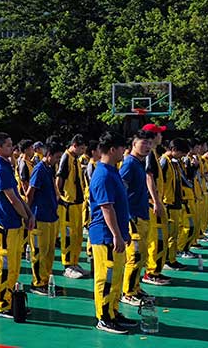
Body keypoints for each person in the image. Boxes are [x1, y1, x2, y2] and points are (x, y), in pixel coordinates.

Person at [88, 131, 138, 334]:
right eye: (121, 149)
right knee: (106, 278)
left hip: (116, 233)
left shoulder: (113, 171)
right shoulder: (102, 175)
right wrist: (116, 234)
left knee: (116, 277)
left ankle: (113, 311)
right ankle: (104, 317)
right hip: (105, 235)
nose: (124, 152)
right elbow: (106, 208)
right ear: (112, 150)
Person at [0, 133, 34, 318]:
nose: (12, 148)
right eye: (8, 145)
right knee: (3, 267)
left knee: (13, 266)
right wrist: (26, 216)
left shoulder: (6, 166)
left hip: (12, 224)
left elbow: (17, 196)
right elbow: (13, 199)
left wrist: (28, 213)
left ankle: (10, 301)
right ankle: (1, 305)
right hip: (4, 225)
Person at [119, 130, 155, 305]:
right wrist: (126, 216)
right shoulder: (129, 164)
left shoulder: (140, 163)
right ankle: (128, 292)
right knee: (134, 256)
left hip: (142, 215)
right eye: (143, 143)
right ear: (134, 144)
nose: (147, 146)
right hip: (133, 217)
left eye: (149, 143)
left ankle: (136, 287)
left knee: (141, 256)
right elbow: (121, 191)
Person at [25, 140, 64, 296]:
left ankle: (46, 279)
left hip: (50, 217)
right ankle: (37, 283)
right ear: (48, 155)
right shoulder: (39, 170)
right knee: (39, 252)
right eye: (56, 157)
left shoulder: (49, 168)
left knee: (49, 252)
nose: (58, 161)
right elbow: (30, 193)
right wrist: (29, 215)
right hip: (39, 217)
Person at [141, 124, 170, 286]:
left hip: (156, 202)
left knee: (159, 238)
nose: (162, 137)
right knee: (155, 239)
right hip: (152, 204)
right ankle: (151, 272)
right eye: (160, 134)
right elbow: (149, 177)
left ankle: (155, 270)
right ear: (153, 136)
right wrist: (156, 201)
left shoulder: (153, 154)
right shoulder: (149, 155)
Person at [56, 134, 88, 278]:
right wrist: (60, 197)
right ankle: (67, 265)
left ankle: (74, 262)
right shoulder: (66, 157)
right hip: (68, 203)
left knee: (77, 235)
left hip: (77, 203)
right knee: (68, 236)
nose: (83, 151)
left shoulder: (75, 159)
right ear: (74, 145)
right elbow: (60, 178)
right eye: (81, 148)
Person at [161, 138, 189, 271]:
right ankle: (167, 260)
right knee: (170, 234)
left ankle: (172, 258)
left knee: (174, 233)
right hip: (168, 204)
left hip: (175, 202)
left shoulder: (174, 163)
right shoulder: (164, 162)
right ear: (174, 150)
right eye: (181, 153)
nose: (182, 156)